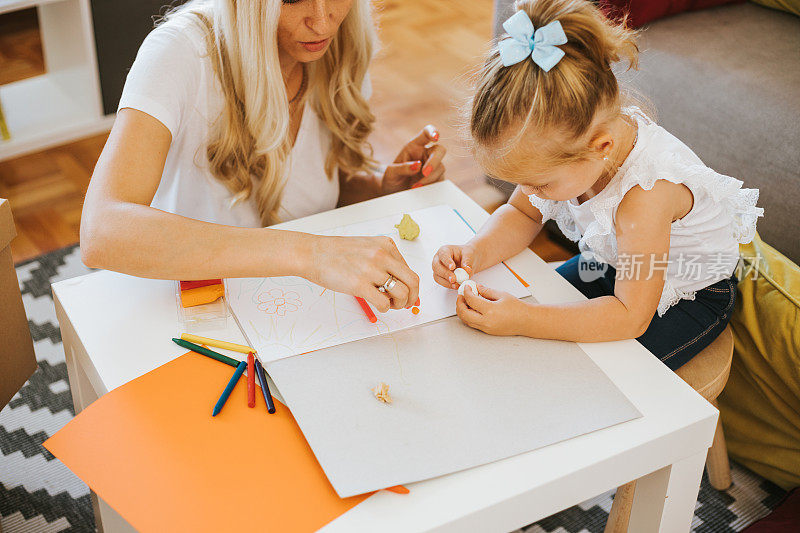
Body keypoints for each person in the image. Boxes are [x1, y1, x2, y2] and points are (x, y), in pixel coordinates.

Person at [432, 0, 762, 370]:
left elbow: (629, 317)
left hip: (687, 298)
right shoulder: (578, 151)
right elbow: (519, 213)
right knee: (533, 319)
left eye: (538, 183)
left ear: (600, 148)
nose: (530, 192)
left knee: (592, 373)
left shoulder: (645, 197)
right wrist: (475, 251)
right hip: (614, 267)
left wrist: (523, 318)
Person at [80, 0, 447, 313]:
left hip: (293, 303)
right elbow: (102, 232)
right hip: (195, 307)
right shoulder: (179, 53)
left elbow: (307, 190)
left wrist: (379, 186)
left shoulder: (340, 46)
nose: (321, 21)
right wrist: (313, 254)